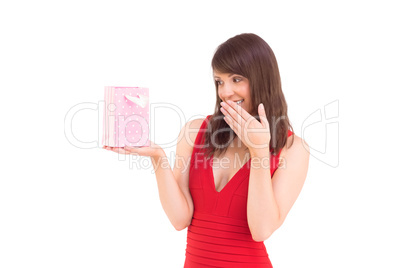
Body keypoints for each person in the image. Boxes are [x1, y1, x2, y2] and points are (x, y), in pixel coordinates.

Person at [104, 33, 310, 268]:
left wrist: (259, 151)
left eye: (236, 79)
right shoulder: (195, 132)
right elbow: (180, 219)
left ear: (263, 79)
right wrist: (158, 159)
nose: (225, 92)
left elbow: (261, 230)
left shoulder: (293, 149)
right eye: (219, 81)